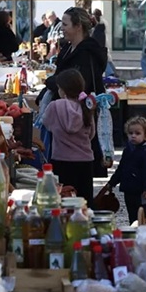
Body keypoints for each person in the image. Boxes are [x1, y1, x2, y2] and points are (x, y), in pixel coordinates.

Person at [43, 7, 108, 179]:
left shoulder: (87, 54)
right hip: (66, 118)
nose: (61, 28)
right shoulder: (68, 48)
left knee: (75, 176)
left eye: (65, 24)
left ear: (78, 26)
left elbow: (78, 83)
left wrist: (51, 82)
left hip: (79, 117)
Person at [42, 69, 96, 204]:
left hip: (61, 159)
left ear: (62, 90)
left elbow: (46, 123)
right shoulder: (87, 105)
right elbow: (91, 134)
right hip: (85, 161)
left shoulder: (55, 106)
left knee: (63, 200)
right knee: (84, 202)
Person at [102, 116, 146, 224]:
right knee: (132, 215)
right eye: (131, 133)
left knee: (142, 214)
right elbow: (121, 168)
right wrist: (112, 183)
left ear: (145, 135)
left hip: (141, 191)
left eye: (137, 133)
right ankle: (134, 231)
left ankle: (144, 233)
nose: (133, 136)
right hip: (129, 188)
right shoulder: (128, 150)